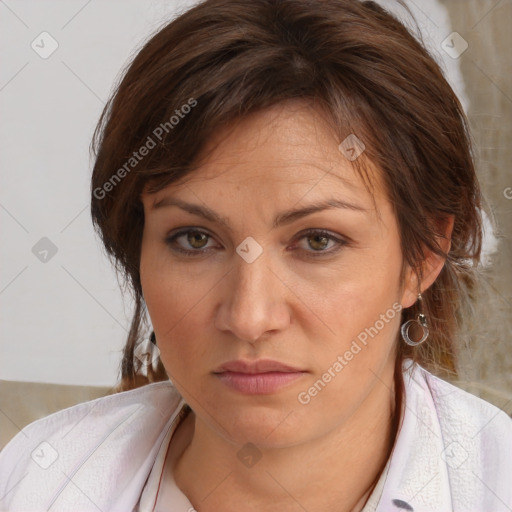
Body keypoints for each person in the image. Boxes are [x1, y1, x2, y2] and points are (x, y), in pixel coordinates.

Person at [1, 0, 511, 510]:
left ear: (423, 255)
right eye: (195, 239)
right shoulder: (36, 481)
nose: (249, 317)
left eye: (317, 241)